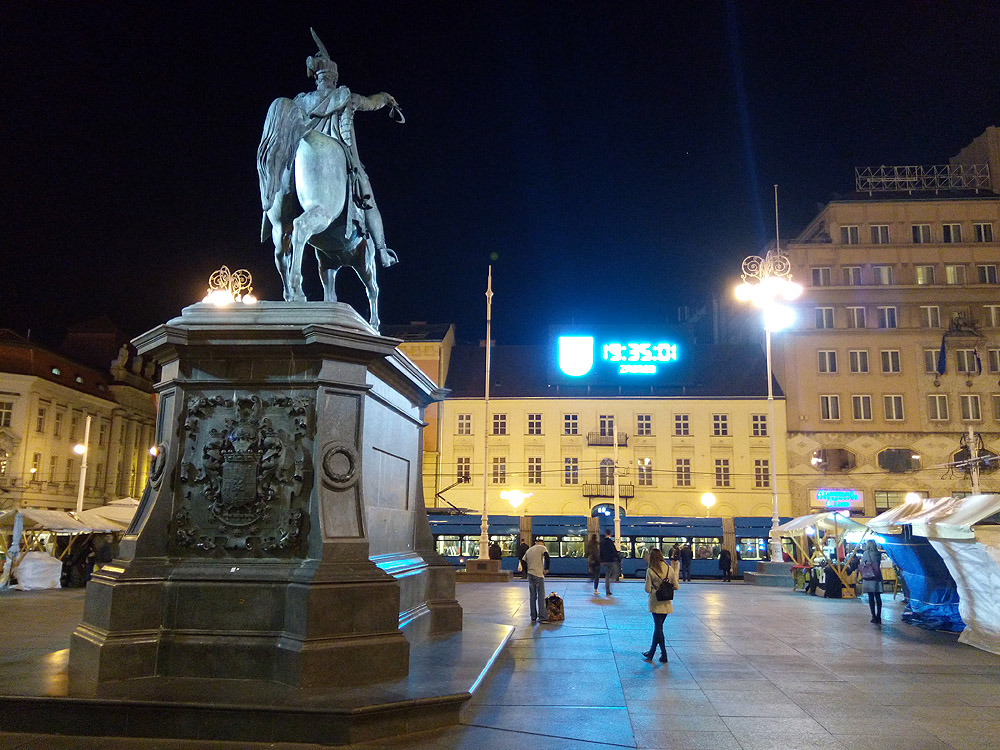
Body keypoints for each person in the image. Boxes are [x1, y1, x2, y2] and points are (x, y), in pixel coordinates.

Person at [259, 29, 401, 269]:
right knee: (368, 195)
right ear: (334, 79)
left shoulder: (301, 101)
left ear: (317, 78)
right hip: (342, 153)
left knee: (285, 168)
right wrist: (387, 98)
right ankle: (383, 250)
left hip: (299, 151)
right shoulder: (346, 97)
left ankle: (271, 216)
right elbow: (372, 103)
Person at [642, 548, 678, 663]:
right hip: (666, 603)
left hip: (656, 602)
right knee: (658, 628)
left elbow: (647, 589)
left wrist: (655, 587)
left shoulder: (650, 570)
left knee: (658, 628)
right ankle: (652, 653)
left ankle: (663, 654)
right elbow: (676, 586)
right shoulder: (669, 568)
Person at [523, 537, 550, 623]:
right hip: (538, 574)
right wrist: (547, 568)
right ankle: (542, 616)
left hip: (530, 574)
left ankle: (533, 616)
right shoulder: (542, 548)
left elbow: (523, 561)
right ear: (542, 543)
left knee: (532, 596)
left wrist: (527, 571)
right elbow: (547, 557)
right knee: (541, 596)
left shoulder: (529, 550)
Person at [860, 540, 884, 624]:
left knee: (871, 597)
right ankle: (879, 616)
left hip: (869, 576)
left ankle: (873, 616)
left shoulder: (865, 553)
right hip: (877, 576)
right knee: (878, 597)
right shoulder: (878, 554)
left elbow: (863, 563)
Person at [599, 529, 619, 595]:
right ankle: (609, 584)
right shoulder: (610, 542)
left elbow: (600, 551)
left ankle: (607, 588)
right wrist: (617, 558)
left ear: (605, 533)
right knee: (615, 573)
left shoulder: (602, 541)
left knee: (607, 575)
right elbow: (614, 551)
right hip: (611, 560)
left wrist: (601, 560)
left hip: (605, 561)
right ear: (610, 534)